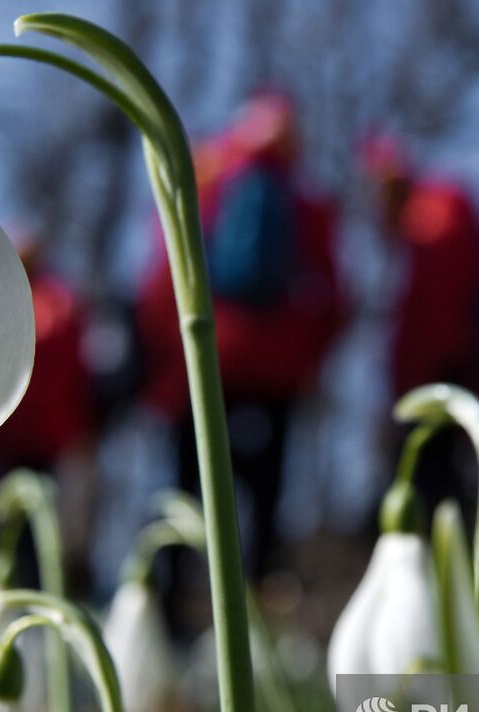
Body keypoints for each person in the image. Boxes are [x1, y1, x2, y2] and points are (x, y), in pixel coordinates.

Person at [136, 90, 348, 584]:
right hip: (277, 374)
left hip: (207, 361)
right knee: (264, 493)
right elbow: (335, 297)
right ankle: (259, 607)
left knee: (187, 488)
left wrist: (165, 364)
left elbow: (162, 280)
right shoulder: (306, 201)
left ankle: (168, 604)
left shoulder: (206, 181)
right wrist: (309, 361)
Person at [361, 135, 479, 517]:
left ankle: (470, 526)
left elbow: (436, 308)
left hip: (444, 367)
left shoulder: (428, 216)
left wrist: (413, 380)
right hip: (449, 361)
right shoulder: (421, 220)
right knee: (452, 464)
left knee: (440, 465)